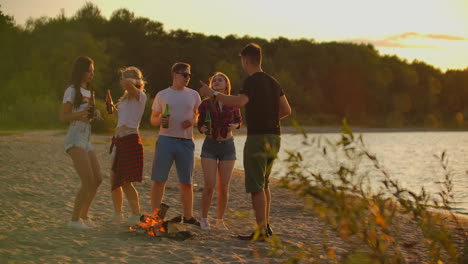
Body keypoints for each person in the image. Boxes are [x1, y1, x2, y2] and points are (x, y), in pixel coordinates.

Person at [199, 43, 292, 240]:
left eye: (242, 61)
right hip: (275, 136)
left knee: (256, 186)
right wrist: (270, 120)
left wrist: (214, 93)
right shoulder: (273, 82)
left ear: (246, 60)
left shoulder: (252, 81)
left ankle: (260, 232)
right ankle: (266, 227)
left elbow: (239, 102)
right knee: (264, 183)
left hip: (258, 138)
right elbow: (286, 110)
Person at [150, 62, 202, 226]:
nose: (188, 78)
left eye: (189, 75)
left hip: (186, 142)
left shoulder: (193, 95)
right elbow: (152, 119)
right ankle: (155, 215)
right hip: (165, 140)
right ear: (174, 75)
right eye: (184, 74)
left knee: (186, 181)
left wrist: (193, 121)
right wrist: (160, 120)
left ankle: (188, 216)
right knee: (159, 180)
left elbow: (200, 117)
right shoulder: (162, 94)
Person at [60, 56, 103, 229]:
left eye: (93, 70)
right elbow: (63, 117)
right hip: (75, 136)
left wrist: (95, 114)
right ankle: (74, 220)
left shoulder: (89, 92)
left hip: (87, 138)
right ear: (81, 71)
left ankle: (84, 216)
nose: (92, 73)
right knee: (87, 181)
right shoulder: (72, 90)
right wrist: (82, 113)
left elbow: (88, 115)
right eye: (89, 70)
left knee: (97, 179)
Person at [197, 72, 242, 230]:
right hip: (210, 145)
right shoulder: (205, 104)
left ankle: (219, 220)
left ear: (226, 84)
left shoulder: (233, 102)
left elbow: (238, 121)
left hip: (228, 146)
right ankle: (204, 219)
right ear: (211, 85)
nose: (216, 82)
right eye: (214, 80)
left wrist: (235, 126)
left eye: (220, 80)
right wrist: (201, 128)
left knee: (224, 186)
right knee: (209, 185)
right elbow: (200, 123)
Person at [108, 67, 147, 224]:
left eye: (125, 78)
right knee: (114, 178)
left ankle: (136, 214)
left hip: (130, 138)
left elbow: (129, 84)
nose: (122, 82)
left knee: (125, 180)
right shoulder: (125, 99)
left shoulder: (140, 96)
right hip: (118, 139)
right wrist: (113, 108)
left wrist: (131, 79)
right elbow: (122, 116)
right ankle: (118, 214)